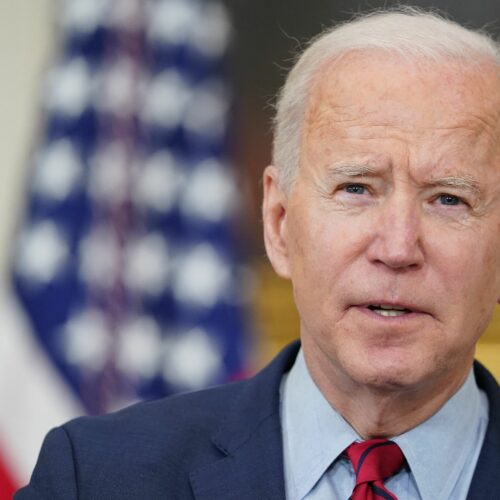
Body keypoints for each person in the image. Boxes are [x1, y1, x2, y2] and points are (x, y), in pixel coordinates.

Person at [16, 7, 500, 500]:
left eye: (448, 199)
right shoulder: (95, 478)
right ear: (279, 223)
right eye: (356, 188)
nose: (397, 248)